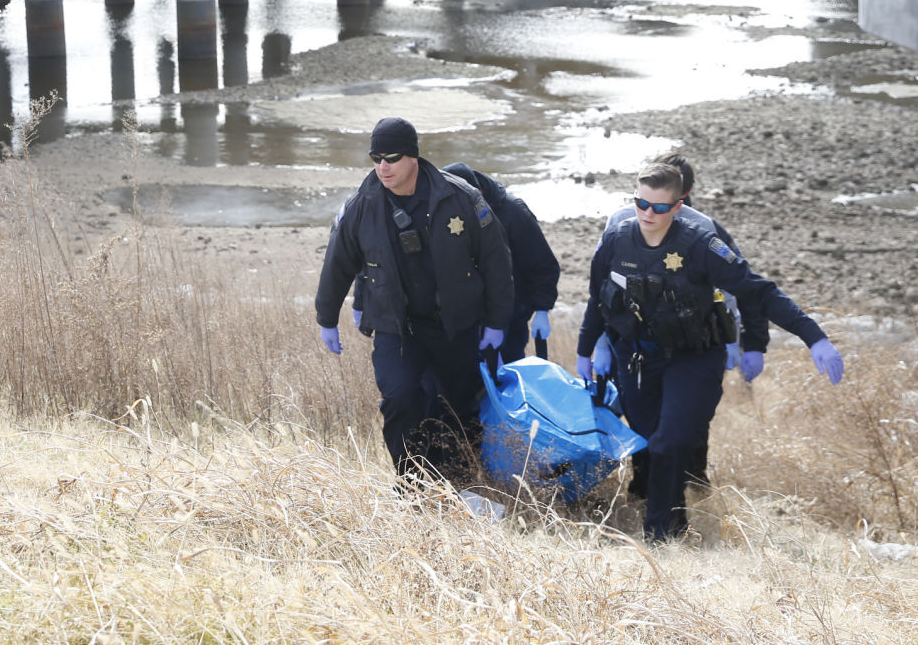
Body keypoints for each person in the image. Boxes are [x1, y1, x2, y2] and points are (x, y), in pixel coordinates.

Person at [576, 161, 845, 541]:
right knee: (650, 442)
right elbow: (598, 300)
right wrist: (587, 349)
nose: (648, 214)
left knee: (671, 441)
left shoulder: (701, 244)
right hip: (637, 357)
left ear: (678, 207)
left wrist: (812, 336)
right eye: (641, 203)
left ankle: (661, 538)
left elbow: (758, 291)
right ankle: (673, 519)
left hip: (694, 357)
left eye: (659, 207)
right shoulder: (616, 241)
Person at [315, 117, 514, 479]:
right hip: (396, 326)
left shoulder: (462, 199)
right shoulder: (363, 206)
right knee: (400, 399)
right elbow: (338, 264)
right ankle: (411, 485)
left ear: (414, 158)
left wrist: (497, 323)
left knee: (459, 407)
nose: (383, 167)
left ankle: (459, 481)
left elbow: (497, 263)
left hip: (454, 325)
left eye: (391, 157)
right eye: (376, 158)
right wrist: (326, 318)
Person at [441, 162, 560, 362]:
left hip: (513, 310)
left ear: (477, 191)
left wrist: (542, 308)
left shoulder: (514, 213)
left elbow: (542, 263)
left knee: (507, 371)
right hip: (466, 316)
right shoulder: (444, 214)